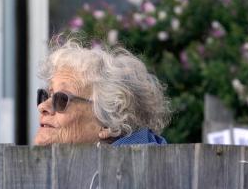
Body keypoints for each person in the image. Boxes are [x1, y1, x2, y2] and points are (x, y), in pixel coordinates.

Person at [34, 37, 170, 146]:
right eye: (46, 95)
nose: (42, 106)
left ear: (109, 122)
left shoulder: (133, 173)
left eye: (61, 99)